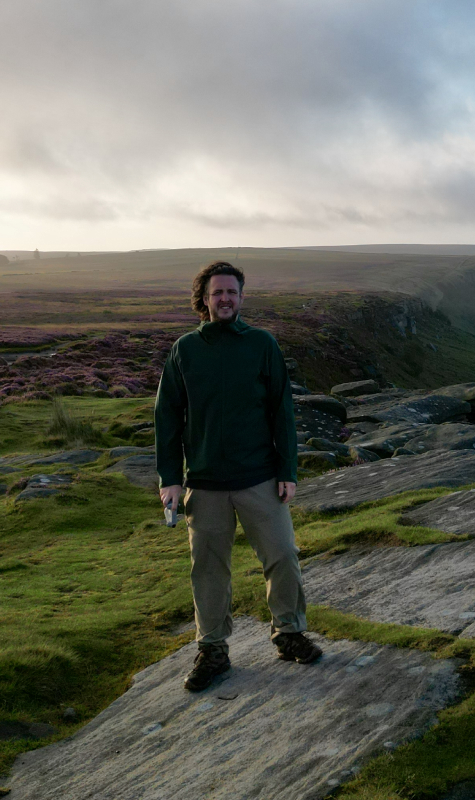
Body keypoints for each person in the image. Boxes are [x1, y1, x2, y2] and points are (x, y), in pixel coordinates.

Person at [155, 260, 321, 692]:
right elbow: (167, 417)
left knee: (283, 555)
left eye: (232, 292)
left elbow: (281, 410)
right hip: (205, 483)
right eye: (217, 293)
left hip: (260, 478)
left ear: (241, 298)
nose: (225, 299)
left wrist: (287, 469)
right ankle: (212, 649)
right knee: (208, 569)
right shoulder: (185, 350)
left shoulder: (262, 345)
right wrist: (170, 478)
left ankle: (289, 633)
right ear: (204, 300)